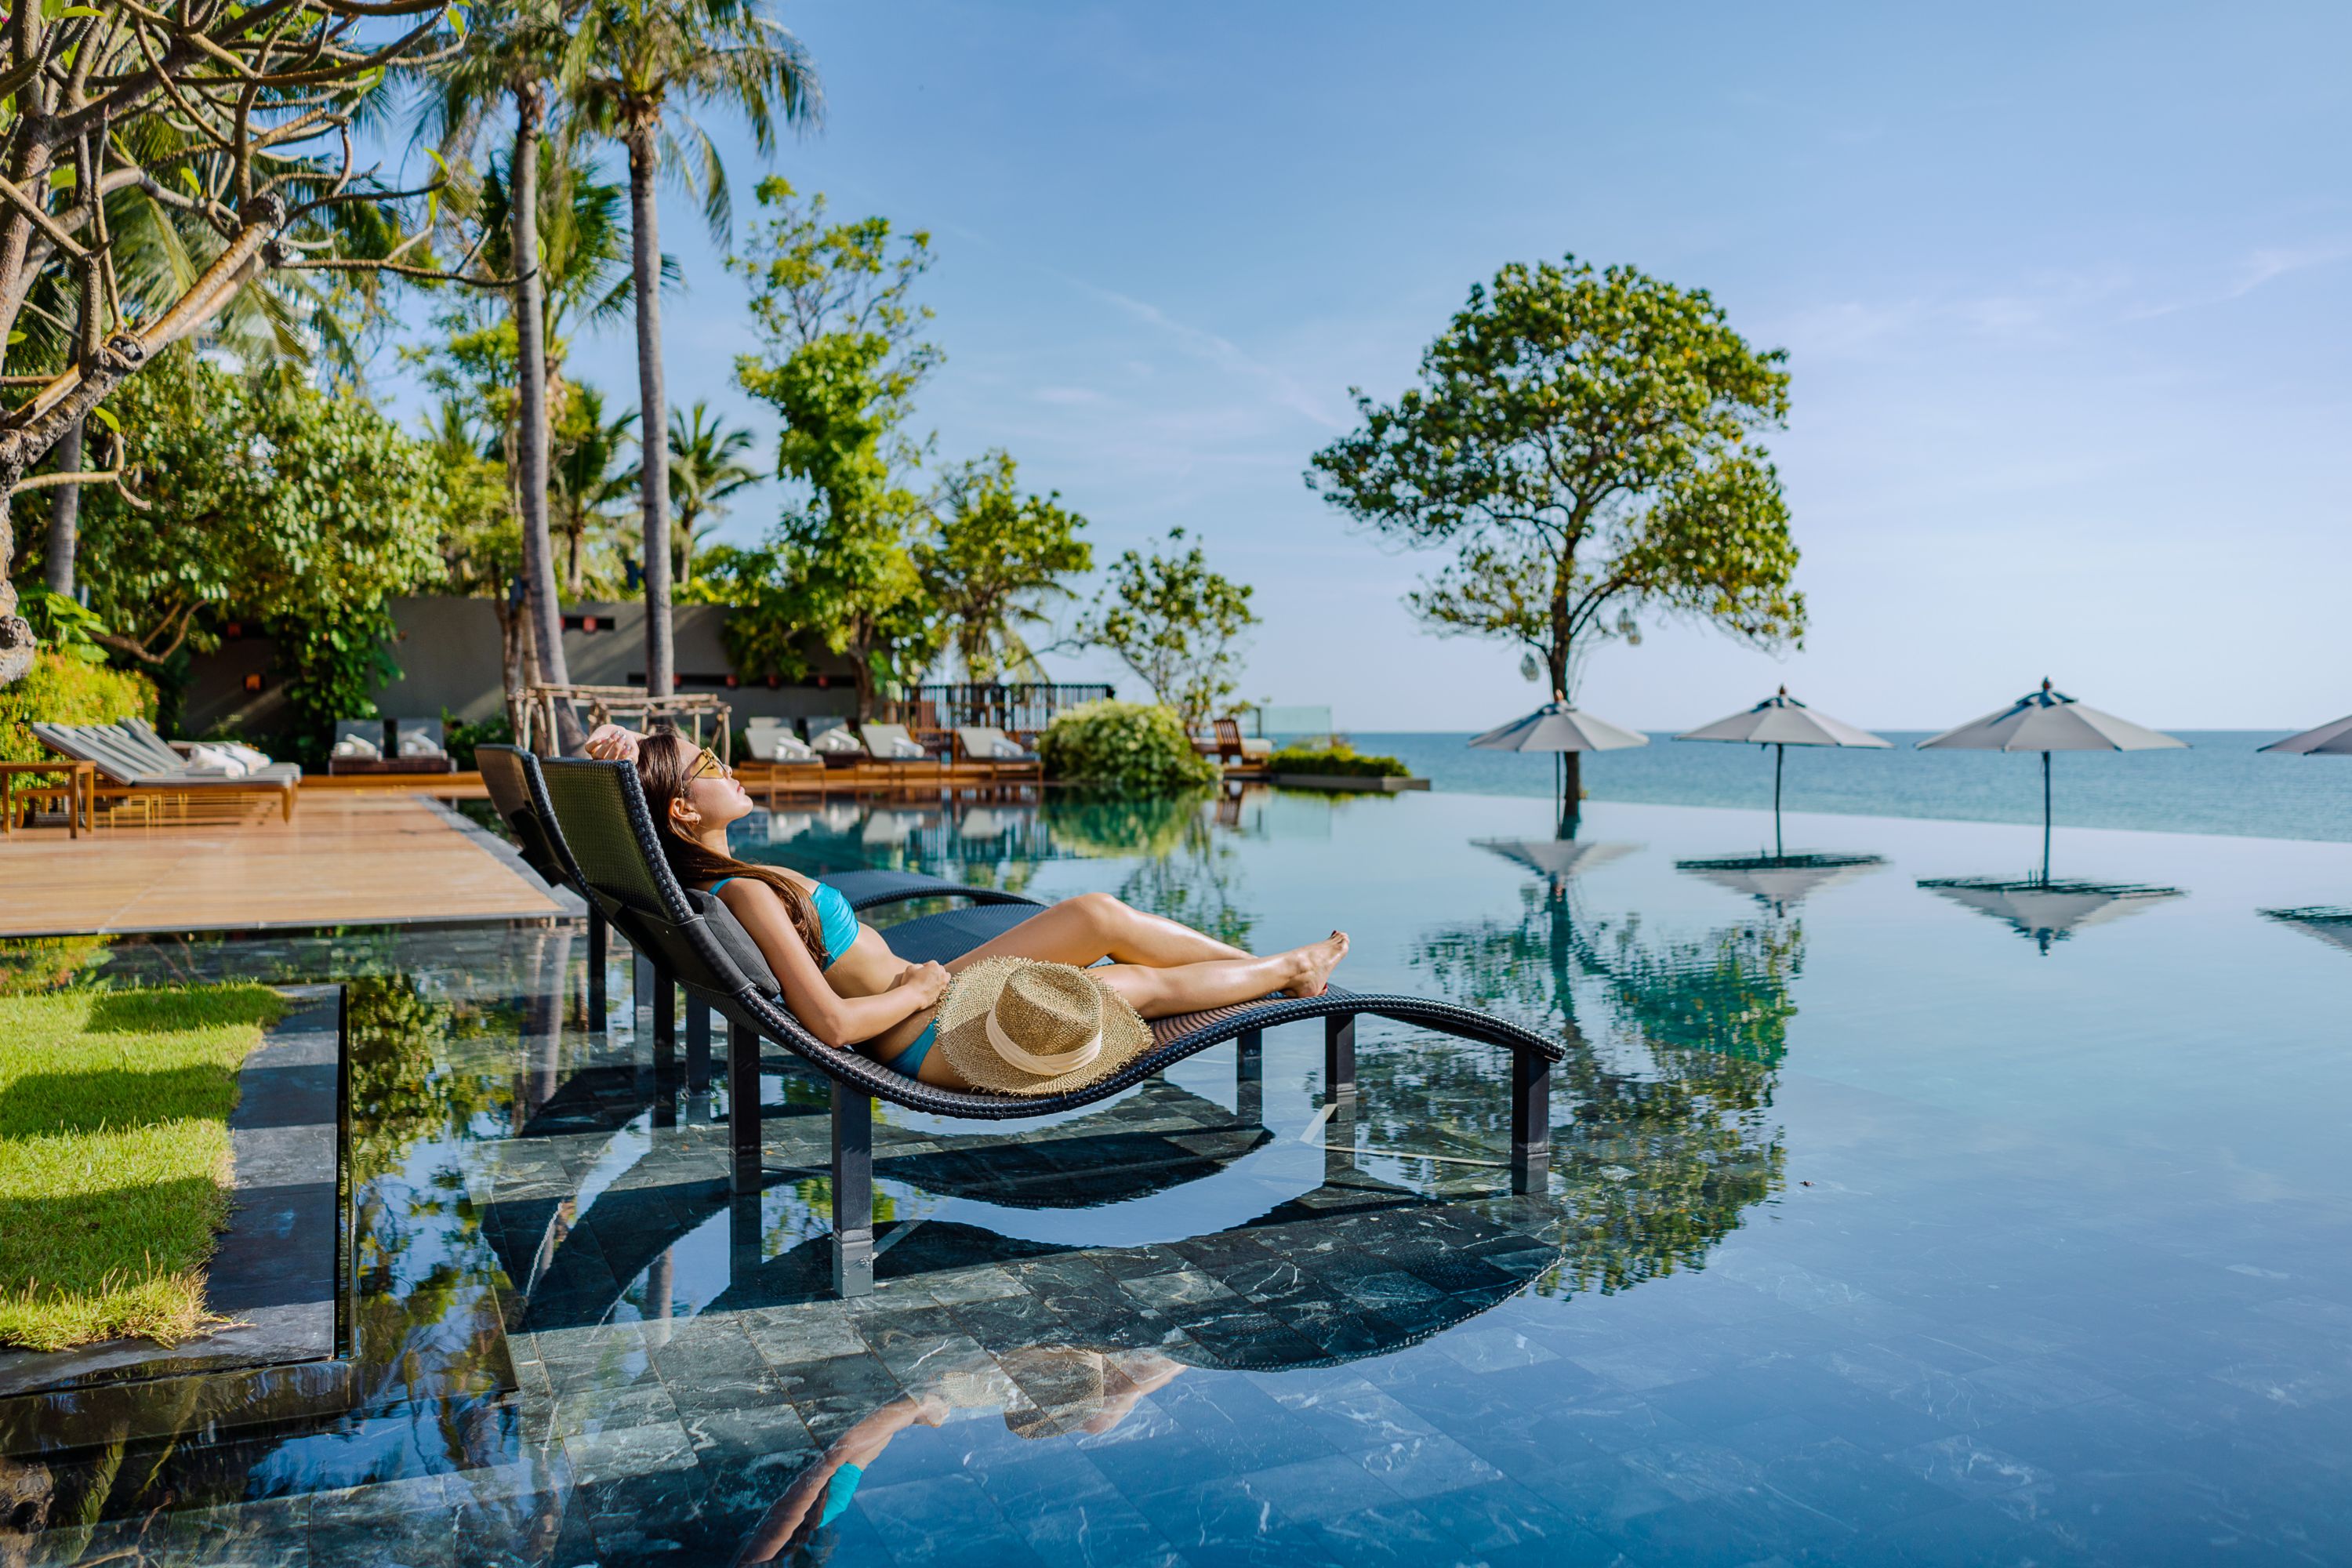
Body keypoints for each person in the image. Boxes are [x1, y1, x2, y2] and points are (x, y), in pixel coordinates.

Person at [584, 725, 1348, 1089]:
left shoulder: (724, 874)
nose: (727, 762)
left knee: (1097, 914)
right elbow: (828, 1026)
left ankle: (1271, 967)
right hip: (930, 1032)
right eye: (709, 762)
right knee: (1131, 986)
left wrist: (619, 755)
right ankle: (1286, 970)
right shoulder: (744, 891)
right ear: (684, 811)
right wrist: (919, 989)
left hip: (929, 997)